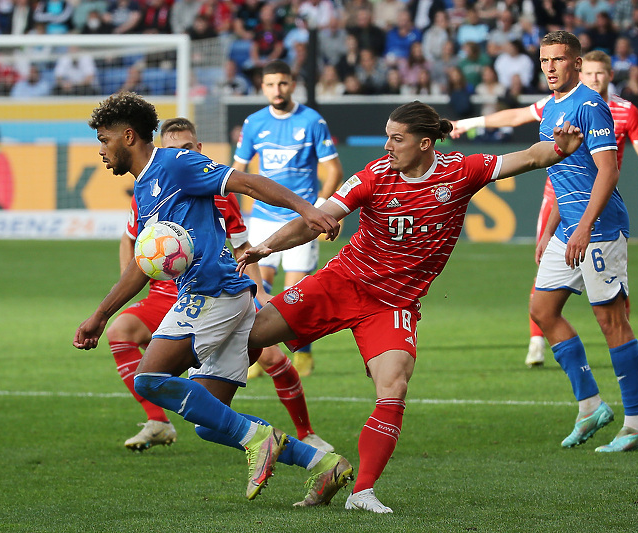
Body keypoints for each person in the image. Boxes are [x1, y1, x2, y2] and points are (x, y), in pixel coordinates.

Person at [236, 100, 585, 513]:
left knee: (394, 386)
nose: (387, 146)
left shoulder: (460, 172)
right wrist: (265, 247)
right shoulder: (373, 175)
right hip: (343, 282)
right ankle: (225, 419)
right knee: (251, 335)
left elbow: (527, 157)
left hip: (394, 304)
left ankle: (361, 491)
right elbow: (318, 216)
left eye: (396, 139)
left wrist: (560, 148)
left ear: (424, 143)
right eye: (387, 136)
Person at [74, 92, 351, 506]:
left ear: (128, 136)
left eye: (104, 139)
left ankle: (260, 439)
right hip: (223, 296)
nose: (100, 150)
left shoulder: (175, 163)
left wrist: (305, 210)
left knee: (149, 379)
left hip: (212, 294)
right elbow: (141, 263)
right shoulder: (145, 189)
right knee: (210, 424)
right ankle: (322, 464)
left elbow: (248, 181)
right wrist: (100, 314)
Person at [107, 116, 334, 453]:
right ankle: (159, 421)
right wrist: (118, 299)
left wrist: (259, 291)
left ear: (198, 150)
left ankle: (305, 432)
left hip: (213, 291)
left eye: (187, 149)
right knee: (203, 419)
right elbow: (134, 245)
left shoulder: (217, 191)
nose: (181, 156)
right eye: (173, 150)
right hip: (170, 295)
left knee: (268, 357)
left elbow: (243, 248)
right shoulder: (145, 190)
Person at [451, 48, 638, 368]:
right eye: (589, 73)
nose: (593, 78)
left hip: (597, 199)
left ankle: (619, 361)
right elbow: (516, 115)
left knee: (611, 297)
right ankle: (537, 342)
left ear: (608, 76)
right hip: (558, 196)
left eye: (599, 74)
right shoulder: (556, 104)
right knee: (544, 278)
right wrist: (468, 123)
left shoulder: (622, 111)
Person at [528, 32, 638, 454]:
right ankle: (590, 405)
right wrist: (549, 230)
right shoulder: (550, 111)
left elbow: (608, 171)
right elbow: (564, 177)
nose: (549, 67)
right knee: (542, 309)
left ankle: (637, 423)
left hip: (599, 228)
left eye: (558, 60)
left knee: (610, 321)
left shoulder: (590, 104)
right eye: (544, 60)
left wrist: (583, 227)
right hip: (568, 229)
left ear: (577, 63)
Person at [232, 60, 344, 377]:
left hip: (301, 221)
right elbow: (239, 172)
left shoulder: (311, 121)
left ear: (292, 84)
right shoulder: (253, 123)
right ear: (262, 87)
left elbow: (334, 169)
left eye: (282, 83)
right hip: (264, 218)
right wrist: (239, 217)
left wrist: (320, 208)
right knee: (255, 289)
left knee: (293, 298)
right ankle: (260, 354)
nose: (276, 90)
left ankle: (304, 352)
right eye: (270, 84)